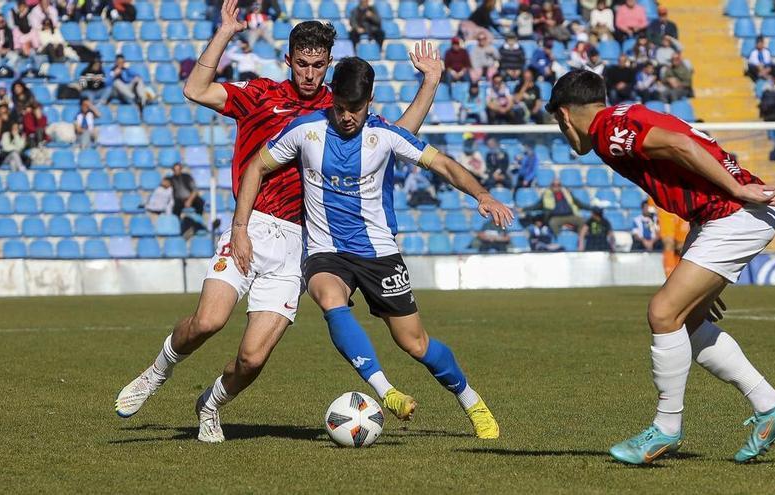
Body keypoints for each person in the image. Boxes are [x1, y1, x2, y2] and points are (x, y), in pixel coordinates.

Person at [114, 0, 443, 443]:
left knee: (252, 359)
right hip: (249, 226)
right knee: (208, 321)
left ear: (327, 65)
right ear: (289, 60)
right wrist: (225, 33)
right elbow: (195, 89)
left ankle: (210, 404)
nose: (310, 74)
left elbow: (396, 137)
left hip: (298, 244)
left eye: (318, 65)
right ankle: (157, 372)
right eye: (303, 64)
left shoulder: (338, 109)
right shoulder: (260, 94)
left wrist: (430, 83)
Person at [232, 56, 512, 438]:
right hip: (325, 250)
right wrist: (240, 227)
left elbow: (443, 164)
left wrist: (482, 194)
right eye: (341, 108)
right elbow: (256, 166)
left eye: (356, 109)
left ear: (371, 100)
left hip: (379, 253)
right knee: (328, 297)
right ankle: (387, 392)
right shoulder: (305, 130)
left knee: (415, 343)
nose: (347, 116)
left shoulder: (386, 136)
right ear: (332, 100)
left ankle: (471, 400)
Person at [547, 69, 775, 465]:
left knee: (663, 312)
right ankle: (771, 406)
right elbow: (682, 164)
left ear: (563, 115)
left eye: (559, 125)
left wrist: (736, 189)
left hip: (734, 212)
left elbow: (681, 144)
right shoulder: (622, 117)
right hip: (719, 217)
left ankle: (665, 429)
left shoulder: (608, 133)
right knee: (688, 320)